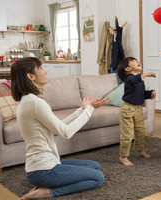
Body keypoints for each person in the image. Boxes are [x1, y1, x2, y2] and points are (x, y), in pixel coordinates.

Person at [10, 57, 111, 199]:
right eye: (41, 68)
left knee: (95, 166)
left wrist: (83, 109)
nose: (45, 71)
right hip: (44, 170)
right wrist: (89, 110)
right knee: (98, 178)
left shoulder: (25, 101)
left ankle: (44, 184)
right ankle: (47, 192)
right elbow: (66, 132)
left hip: (41, 168)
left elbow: (58, 126)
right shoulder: (36, 103)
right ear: (31, 76)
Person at [117, 57, 156, 166]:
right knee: (127, 135)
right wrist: (146, 75)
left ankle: (140, 150)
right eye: (133, 61)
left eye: (137, 60)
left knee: (141, 131)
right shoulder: (129, 78)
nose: (137, 61)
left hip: (138, 108)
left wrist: (150, 93)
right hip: (127, 109)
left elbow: (141, 94)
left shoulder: (139, 80)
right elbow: (134, 81)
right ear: (127, 68)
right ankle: (123, 156)